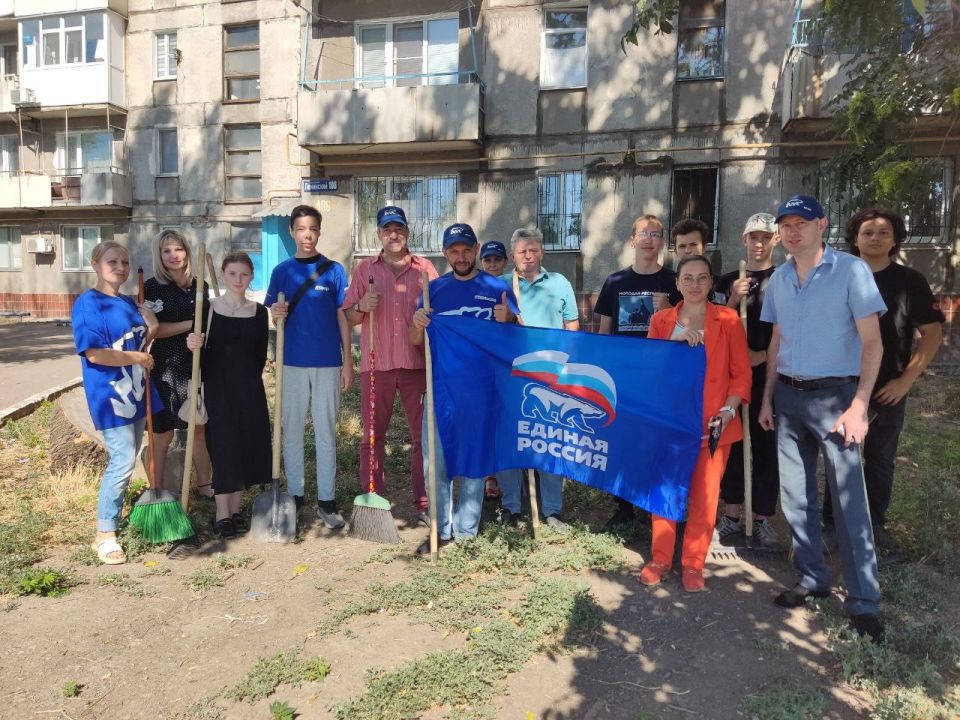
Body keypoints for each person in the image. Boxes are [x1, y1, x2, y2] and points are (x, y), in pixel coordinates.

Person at [758, 195, 887, 643]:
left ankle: (864, 601)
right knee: (795, 498)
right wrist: (768, 399)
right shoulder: (777, 278)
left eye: (803, 223)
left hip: (837, 399)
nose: (793, 232)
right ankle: (813, 577)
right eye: (786, 225)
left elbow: (873, 344)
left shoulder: (851, 271)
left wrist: (859, 405)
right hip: (790, 400)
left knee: (849, 503)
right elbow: (776, 342)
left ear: (822, 225)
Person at [821, 208, 944, 554]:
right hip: (840, 383)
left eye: (883, 232)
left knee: (878, 458)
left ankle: (874, 528)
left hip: (887, 386)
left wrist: (906, 381)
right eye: (867, 232)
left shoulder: (910, 281)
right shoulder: (835, 275)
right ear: (855, 238)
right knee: (840, 455)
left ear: (895, 240)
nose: (874, 238)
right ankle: (833, 524)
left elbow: (932, 334)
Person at [640, 255, 751, 592]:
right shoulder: (661, 321)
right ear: (677, 283)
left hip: (715, 426)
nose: (695, 285)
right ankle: (660, 557)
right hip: (670, 425)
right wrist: (676, 342)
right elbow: (650, 369)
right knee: (664, 492)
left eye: (702, 278)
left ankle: (693, 562)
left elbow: (741, 375)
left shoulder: (729, 319)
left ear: (711, 282)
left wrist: (730, 410)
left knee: (705, 497)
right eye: (687, 278)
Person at [409, 222, 519, 555]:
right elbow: (417, 344)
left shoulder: (496, 287)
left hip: (482, 392)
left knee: (474, 461)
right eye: (454, 251)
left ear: (476, 249)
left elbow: (516, 342)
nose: (461, 256)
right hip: (440, 390)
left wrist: (509, 321)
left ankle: (467, 530)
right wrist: (417, 325)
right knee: (436, 464)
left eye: (466, 250)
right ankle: (441, 529)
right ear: (445, 254)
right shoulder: (433, 290)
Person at [342, 206, 439, 526]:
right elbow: (350, 316)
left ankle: (425, 501)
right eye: (387, 229)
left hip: (416, 365)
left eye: (399, 229)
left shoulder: (425, 269)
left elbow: (439, 315)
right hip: (377, 365)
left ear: (407, 232)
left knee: (423, 437)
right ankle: (373, 499)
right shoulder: (365, 270)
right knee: (372, 437)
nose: (393, 234)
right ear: (379, 234)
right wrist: (361, 306)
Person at [265, 205, 353, 529]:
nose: (307, 234)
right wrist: (277, 312)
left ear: (318, 231)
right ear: (292, 231)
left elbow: (343, 316)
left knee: (326, 430)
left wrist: (347, 363)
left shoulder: (333, 271)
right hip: (292, 363)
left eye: (312, 228)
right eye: (300, 228)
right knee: (291, 431)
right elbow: (274, 316)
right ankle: (296, 495)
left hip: (328, 362)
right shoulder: (281, 272)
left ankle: (326, 501)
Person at [72, 241, 158, 565]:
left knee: (129, 454)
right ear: (95, 263)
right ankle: (104, 534)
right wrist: (137, 355)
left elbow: (143, 341)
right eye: (112, 261)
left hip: (135, 393)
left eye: (124, 261)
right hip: (109, 396)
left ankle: (112, 521)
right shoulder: (87, 304)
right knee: (122, 459)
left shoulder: (128, 303)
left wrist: (153, 327)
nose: (120, 267)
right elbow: (95, 353)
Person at [594, 214, 681, 528]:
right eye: (643, 233)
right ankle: (624, 505)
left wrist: (670, 309)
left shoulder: (675, 282)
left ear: (662, 241)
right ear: (632, 240)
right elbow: (604, 330)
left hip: (661, 378)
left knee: (658, 440)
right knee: (623, 440)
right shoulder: (615, 282)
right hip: (623, 377)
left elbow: (687, 328)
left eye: (655, 233)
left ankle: (653, 501)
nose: (649, 239)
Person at [496, 228, 579, 532]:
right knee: (510, 439)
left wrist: (568, 368)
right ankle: (511, 508)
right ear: (512, 256)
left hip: (552, 375)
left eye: (533, 250)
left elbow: (572, 325)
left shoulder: (559, 283)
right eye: (521, 252)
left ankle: (553, 510)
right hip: (511, 375)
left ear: (541, 252)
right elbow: (493, 331)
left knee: (550, 441)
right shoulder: (503, 285)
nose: (528, 256)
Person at [186, 252, 271, 539]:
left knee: (245, 446)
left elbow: (260, 355)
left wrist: (246, 379)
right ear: (223, 274)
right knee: (222, 447)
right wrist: (193, 342)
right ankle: (222, 514)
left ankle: (236, 511)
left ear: (251, 277)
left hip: (248, 389)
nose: (238, 279)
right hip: (216, 389)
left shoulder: (259, 312)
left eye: (244, 274)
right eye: (233, 273)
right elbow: (197, 349)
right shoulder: (207, 308)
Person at [714, 213, 783, 549]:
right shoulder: (728, 280)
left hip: (770, 374)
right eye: (753, 237)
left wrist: (763, 357)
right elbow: (716, 327)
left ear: (776, 240)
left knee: (766, 444)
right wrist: (733, 299)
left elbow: (791, 330)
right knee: (734, 441)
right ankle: (730, 515)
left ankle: (762, 519)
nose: (759, 243)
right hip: (731, 376)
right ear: (743, 240)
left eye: (765, 237)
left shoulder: (786, 279)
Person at [143, 230, 213, 502]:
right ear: (159, 256)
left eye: (178, 249)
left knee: (198, 426)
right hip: (166, 367)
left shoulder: (200, 286)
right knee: (162, 432)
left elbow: (208, 323)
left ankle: (205, 484)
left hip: (195, 364)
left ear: (187, 251)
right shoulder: (151, 287)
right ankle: (156, 489)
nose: (173, 255)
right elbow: (153, 330)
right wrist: (190, 326)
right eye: (166, 251)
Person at [671, 218, 725, 303]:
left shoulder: (720, 283)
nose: (688, 250)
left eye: (693, 245)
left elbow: (725, 314)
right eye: (682, 246)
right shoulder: (667, 282)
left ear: (704, 247)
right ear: (675, 251)